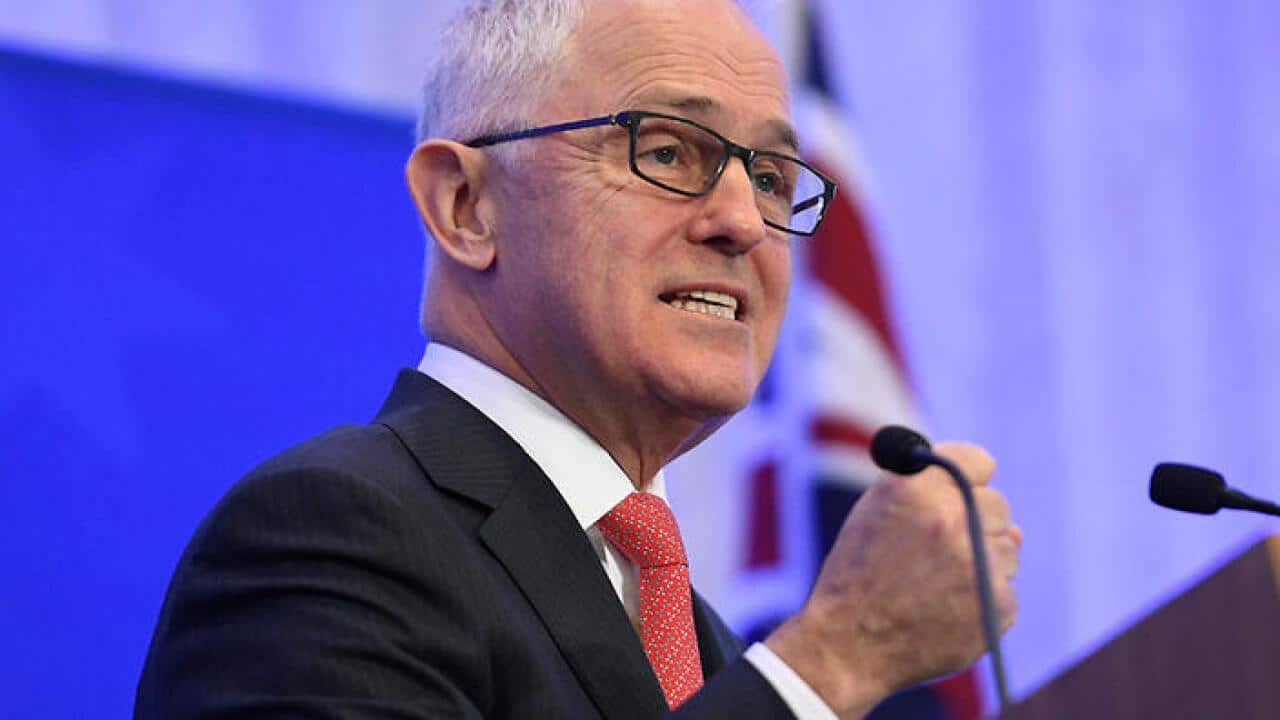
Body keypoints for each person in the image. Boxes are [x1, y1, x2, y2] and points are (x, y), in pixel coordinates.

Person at [135, 0, 1021, 718]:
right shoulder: (329, 537)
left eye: (772, 179)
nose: (743, 222)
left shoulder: (698, 643)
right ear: (466, 206)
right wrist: (837, 656)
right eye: (669, 150)